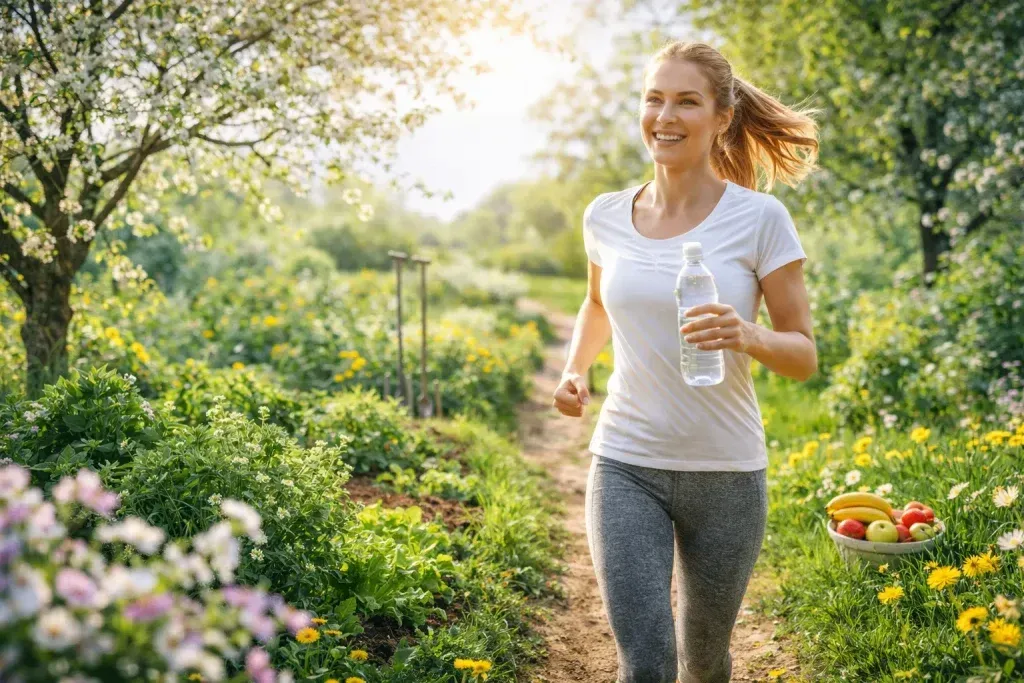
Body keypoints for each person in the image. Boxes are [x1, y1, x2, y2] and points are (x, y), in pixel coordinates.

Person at [551, 40, 820, 683]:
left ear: (722, 117)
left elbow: (804, 355)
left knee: (704, 659)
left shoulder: (760, 219)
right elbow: (597, 304)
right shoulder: (605, 215)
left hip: (726, 470)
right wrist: (574, 369)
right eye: (654, 99)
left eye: (686, 102)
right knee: (644, 663)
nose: (665, 116)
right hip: (626, 460)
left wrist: (747, 335)